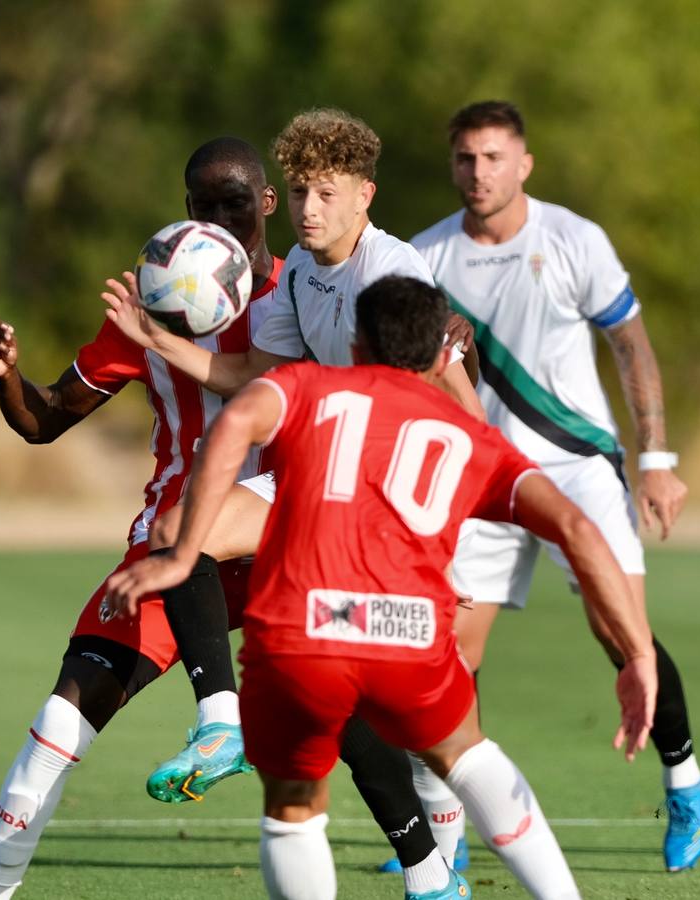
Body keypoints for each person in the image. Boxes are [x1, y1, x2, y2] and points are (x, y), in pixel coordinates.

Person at [0, 137, 445, 899]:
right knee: (61, 722)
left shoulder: (303, 288)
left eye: (236, 203)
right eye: (204, 205)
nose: (220, 218)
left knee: (346, 715)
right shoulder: (157, 297)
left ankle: (431, 874)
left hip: (288, 535)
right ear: (187, 208)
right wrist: (7, 378)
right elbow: (45, 419)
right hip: (179, 545)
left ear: (265, 204)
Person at [105, 275, 661, 900]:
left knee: (293, 805)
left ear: (357, 341)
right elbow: (578, 529)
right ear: (435, 357)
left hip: (300, 637)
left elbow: (235, 422)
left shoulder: (308, 387)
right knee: (469, 756)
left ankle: (227, 727)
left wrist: (184, 554)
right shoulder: (473, 441)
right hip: (409, 635)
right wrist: (637, 653)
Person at [100, 109, 479, 896]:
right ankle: (222, 723)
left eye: (326, 194)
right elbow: (253, 377)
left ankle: (432, 871)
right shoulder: (302, 275)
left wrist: (449, 534)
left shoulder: (393, 272)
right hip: (319, 479)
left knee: (350, 699)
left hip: (380, 499)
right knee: (183, 531)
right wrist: (158, 339)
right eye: (301, 191)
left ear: (364, 196)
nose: (308, 209)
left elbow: (458, 407)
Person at [404, 100, 700, 873]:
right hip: (484, 478)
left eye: (493, 158)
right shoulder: (424, 256)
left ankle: (684, 782)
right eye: (465, 160)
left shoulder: (574, 239)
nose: (479, 173)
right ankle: (445, 833)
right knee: (443, 655)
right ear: (452, 166)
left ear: (524, 164)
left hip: (577, 466)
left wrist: (657, 460)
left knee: (621, 634)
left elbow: (632, 346)